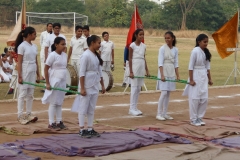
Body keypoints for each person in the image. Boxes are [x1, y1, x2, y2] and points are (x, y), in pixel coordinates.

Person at [72, 35, 105, 138]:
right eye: (98, 43)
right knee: (83, 108)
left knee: (91, 108)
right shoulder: (85, 55)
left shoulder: (96, 56)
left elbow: (100, 72)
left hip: (94, 85)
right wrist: (82, 88)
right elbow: (81, 73)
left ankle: (90, 128)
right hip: (86, 85)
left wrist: (102, 85)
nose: (100, 45)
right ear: (92, 43)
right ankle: (82, 129)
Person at [183, 34, 213, 126]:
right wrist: (191, 80)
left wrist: (210, 79)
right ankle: (193, 119)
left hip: (203, 76)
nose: (206, 44)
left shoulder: (206, 52)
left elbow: (208, 67)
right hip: (196, 75)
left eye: (207, 42)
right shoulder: (195, 51)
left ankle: (200, 117)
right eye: (204, 42)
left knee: (204, 98)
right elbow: (190, 67)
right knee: (195, 98)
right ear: (199, 42)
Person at [42, 37, 68, 130]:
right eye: (62, 44)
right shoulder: (52, 55)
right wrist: (48, 83)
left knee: (59, 102)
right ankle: (51, 122)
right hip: (54, 80)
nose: (64, 46)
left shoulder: (65, 55)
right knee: (53, 102)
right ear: (56, 45)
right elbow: (46, 69)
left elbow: (64, 68)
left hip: (62, 80)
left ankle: (59, 121)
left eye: (65, 44)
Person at [15, 26, 40, 125]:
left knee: (30, 94)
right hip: (25, 71)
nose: (35, 36)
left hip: (32, 71)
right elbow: (19, 62)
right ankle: (20, 115)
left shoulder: (34, 46)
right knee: (22, 94)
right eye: (34, 34)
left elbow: (36, 61)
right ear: (29, 35)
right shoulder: (22, 46)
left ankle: (29, 114)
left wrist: (38, 75)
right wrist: (20, 76)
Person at [156, 31, 179, 121]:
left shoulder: (175, 50)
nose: (167, 40)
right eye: (165, 38)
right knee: (164, 92)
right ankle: (159, 113)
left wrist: (178, 75)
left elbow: (176, 63)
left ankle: (165, 113)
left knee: (168, 93)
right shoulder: (162, 48)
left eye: (168, 38)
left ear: (173, 38)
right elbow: (160, 63)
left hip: (171, 72)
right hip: (164, 71)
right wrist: (162, 75)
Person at [128, 29, 150, 116]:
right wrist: (131, 71)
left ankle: (135, 107)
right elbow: (129, 58)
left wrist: (147, 70)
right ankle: (131, 108)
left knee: (138, 88)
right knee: (134, 88)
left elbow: (144, 58)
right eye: (140, 35)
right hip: (135, 66)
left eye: (143, 35)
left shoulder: (144, 46)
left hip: (141, 67)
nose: (142, 36)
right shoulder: (132, 45)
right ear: (136, 35)